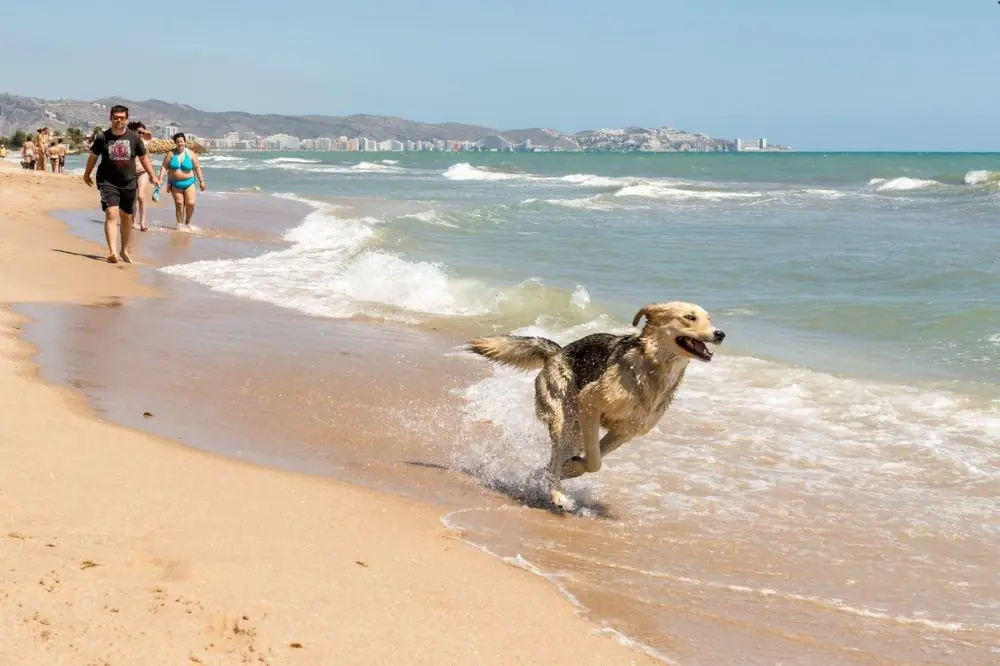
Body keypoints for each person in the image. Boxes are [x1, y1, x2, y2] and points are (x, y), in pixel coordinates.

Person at [82, 105, 161, 264]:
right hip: (107, 181)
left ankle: (124, 250)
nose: (119, 120)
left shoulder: (134, 138)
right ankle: (112, 252)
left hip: (128, 182)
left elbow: (144, 158)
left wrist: (153, 176)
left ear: (126, 119)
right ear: (110, 117)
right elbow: (93, 156)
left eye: (122, 118)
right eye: (116, 117)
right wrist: (87, 173)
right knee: (111, 214)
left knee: (126, 216)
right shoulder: (102, 138)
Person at [158, 132, 206, 228]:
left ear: (185, 142)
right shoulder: (171, 154)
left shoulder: (191, 154)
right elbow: (164, 166)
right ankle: (180, 224)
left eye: (182, 141)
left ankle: (187, 222)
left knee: (191, 203)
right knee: (179, 204)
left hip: (189, 183)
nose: (180, 143)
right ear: (175, 143)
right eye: (178, 142)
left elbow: (197, 168)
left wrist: (201, 181)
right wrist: (160, 179)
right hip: (175, 184)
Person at [127, 121, 153, 231]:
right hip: (130, 174)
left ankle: (143, 222)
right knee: (132, 200)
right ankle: (133, 221)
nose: (142, 135)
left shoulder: (144, 144)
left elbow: (147, 160)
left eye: (143, 133)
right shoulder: (127, 143)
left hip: (143, 172)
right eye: (139, 132)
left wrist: (152, 175)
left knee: (141, 196)